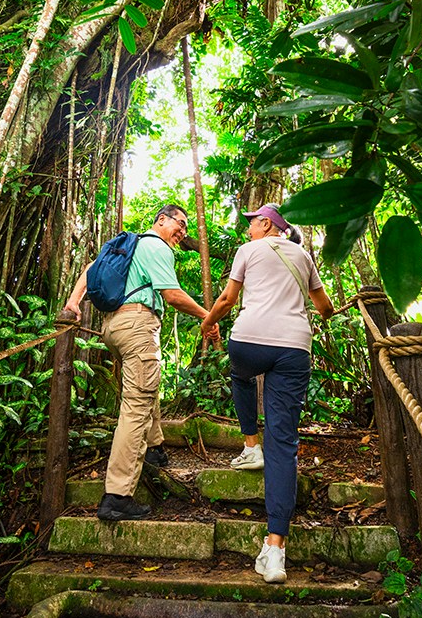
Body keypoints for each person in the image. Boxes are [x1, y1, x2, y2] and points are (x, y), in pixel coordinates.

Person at [200, 202, 334, 583]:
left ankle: (249, 445)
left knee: (240, 376)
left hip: (249, 342)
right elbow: (323, 307)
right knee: (284, 443)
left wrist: (207, 324)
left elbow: (226, 301)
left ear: (266, 224)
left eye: (251, 223)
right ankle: (275, 549)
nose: (247, 230)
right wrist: (327, 312)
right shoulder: (304, 256)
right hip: (294, 348)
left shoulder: (248, 251)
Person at [62, 204, 208, 522]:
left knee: (146, 384)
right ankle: (117, 495)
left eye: (185, 228)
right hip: (138, 325)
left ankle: (154, 448)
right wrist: (207, 316)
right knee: (136, 406)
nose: (182, 232)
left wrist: (74, 302)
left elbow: (90, 268)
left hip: (113, 329)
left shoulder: (129, 247)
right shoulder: (156, 246)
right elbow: (172, 295)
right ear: (161, 221)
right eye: (180, 224)